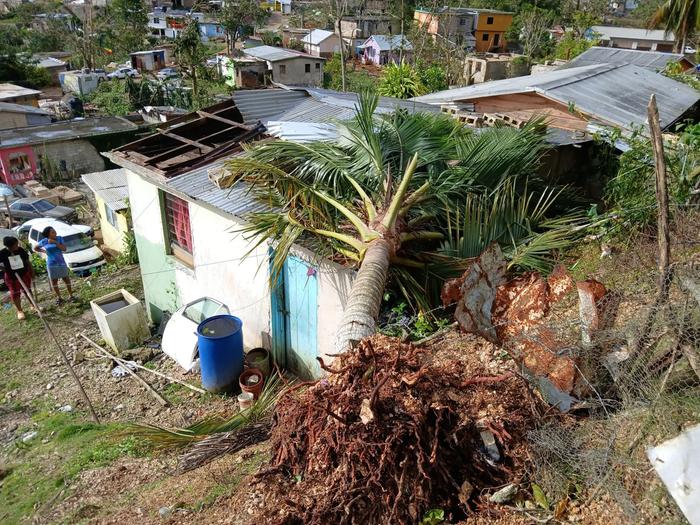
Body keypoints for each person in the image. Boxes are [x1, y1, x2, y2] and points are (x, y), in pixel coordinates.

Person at [35, 226, 76, 304]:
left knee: (66, 279)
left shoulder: (59, 238)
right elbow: (35, 248)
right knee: (54, 281)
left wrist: (56, 243)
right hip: (51, 264)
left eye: (55, 231)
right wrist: (43, 251)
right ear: (48, 235)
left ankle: (71, 295)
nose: (55, 233)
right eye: (53, 232)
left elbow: (64, 249)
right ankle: (59, 297)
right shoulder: (44, 241)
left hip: (61, 262)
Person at [1, 236, 34, 320]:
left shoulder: (20, 250)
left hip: (23, 273)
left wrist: (31, 270)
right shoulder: (2, 253)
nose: (17, 245)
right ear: (9, 246)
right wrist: (4, 269)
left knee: (28, 289)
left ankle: (33, 305)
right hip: (12, 276)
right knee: (15, 293)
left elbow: (27, 261)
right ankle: (19, 311)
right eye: (15, 244)